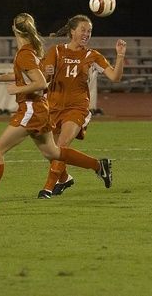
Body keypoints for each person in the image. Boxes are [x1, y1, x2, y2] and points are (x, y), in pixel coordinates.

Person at [0, 12, 112, 212]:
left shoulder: (24, 53)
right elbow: (28, 76)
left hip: (31, 108)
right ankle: (98, 166)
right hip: (40, 108)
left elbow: (40, 83)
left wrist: (16, 89)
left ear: (14, 29)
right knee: (53, 152)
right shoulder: (29, 50)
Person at [37, 14, 126, 199]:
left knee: (61, 145)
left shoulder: (92, 56)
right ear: (72, 31)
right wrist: (47, 73)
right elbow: (42, 81)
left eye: (89, 31)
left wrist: (120, 55)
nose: (86, 34)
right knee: (50, 153)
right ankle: (95, 167)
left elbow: (115, 77)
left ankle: (47, 188)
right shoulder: (56, 51)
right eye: (83, 30)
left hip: (77, 108)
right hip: (52, 107)